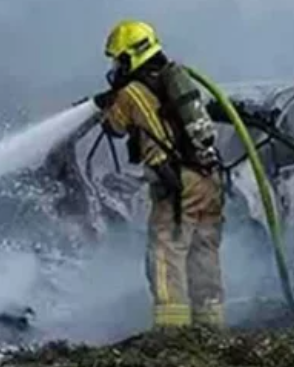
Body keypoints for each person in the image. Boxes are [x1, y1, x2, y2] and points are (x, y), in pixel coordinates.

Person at [91, 20, 225, 328]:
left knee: (166, 255)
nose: (115, 67)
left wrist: (109, 102)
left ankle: (172, 334)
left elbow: (114, 127)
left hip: (177, 184)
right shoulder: (173, 80)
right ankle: (210, 331)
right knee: (204, 253)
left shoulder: (132, 93)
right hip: (208, 177)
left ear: (131, 57)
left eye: (118, 60)